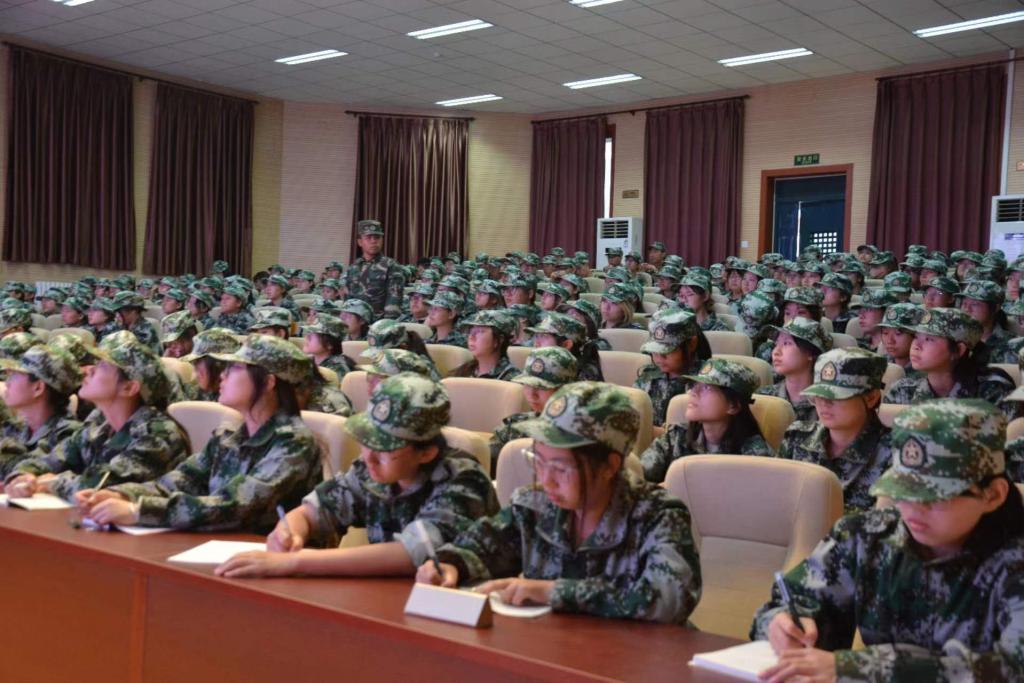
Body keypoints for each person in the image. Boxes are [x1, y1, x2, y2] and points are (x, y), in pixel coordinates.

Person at [752, 399, 1024, 682]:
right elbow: (790, 603)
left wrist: (862, 668)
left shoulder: (1014, 561)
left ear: (993, 495)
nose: (913, 508)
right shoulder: (866, 537)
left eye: (935, 496)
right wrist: (781, 624)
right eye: (903, 491)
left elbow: (1013, 669)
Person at [416, 381, 702, 624]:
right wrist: (450, 565)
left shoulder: (658, 515)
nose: (547, 480)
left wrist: (554, 592)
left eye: (561, 468)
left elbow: (670, 598)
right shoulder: (533, 505)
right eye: (539, 461)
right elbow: (482, 545)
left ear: (610, 466)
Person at [213, 373, 499, 578]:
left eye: (385, 449)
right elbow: (316, 510)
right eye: (367, 442)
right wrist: (291, 531)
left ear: (426, 453)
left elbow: (411, 554)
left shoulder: (463, 480)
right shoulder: (370, 470)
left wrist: (296, 562)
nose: (369, 457)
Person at [77, 335, 321, 532]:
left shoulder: (294, 442)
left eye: (235, 368)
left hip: (272, 562)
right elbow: (181, 480)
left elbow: (237, 505)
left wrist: (139, 511)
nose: (222, 375)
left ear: (268, 383)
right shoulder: (229, 437)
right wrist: (121, 494)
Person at [5, 337, 189, 501]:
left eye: (103, 366)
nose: (89, 370)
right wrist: (25, 475)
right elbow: (53, 458)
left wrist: (51, 483)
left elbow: (103, 484)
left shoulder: (157, 434)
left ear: (129, 388)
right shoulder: (98, 425)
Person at [778, 347, 891, 512]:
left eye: (836, 395)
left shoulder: (893, 453)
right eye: (819, 393)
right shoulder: (797, 437)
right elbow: (776, 500)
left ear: (871, 398)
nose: (824, 402)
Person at [640, 358, 774, 483]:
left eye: (706, 388)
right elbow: (638, 477)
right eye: (694, 384)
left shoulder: (755, 455)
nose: (692, 392)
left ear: (733, 406)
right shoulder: (675, 437)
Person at [884, 307, 1015, 417]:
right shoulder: (903, 391)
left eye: (929, 339)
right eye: (916, 337)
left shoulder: (992, 391)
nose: (916, 346)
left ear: (959, 350)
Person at [0, 345, 83, 483]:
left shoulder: (67, 434)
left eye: (14, 376)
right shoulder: (14, 428)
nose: (7, 384)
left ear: (38, 388)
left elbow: (28, 474)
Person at [489, 346, 577, 469]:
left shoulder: (582, 433)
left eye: (542, 387)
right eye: (528, 384)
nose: (532, 394)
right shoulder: (515, 426)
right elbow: (487, 463)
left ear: (566, 389)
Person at [634, 310, 709, 425]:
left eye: (668, 350)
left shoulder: (707, 381)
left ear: (692, 344)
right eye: (654, 350)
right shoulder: (647, 377)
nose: (659, 357)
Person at [758, 317, 832, 423]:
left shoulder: (828, 405)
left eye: (787, 343)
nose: (776, 352)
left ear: (811, 353)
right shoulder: (764, 397)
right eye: (776, 344)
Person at [345, 219, 405, 319]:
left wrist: (385, 324)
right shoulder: (354, 267)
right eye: (368, 238)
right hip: (356, 322)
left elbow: (394, 300)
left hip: (378, 322)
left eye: (377, 237)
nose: (373, 241)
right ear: (360, 242)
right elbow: (348, 299)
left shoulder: (391, 266)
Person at [449, 310, 518, 380]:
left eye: (480, 331)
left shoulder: (511, 379)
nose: (471, 337)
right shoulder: (464, 372)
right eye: (470, 331)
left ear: (500, 339)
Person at [180, 328, 241, 401]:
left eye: (198, 361)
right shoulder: (195, 389)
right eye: (195, 362)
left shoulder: (238, 398)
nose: (195, 367)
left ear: (219, 364)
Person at [876, 302, 924, 376]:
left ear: (916, 335)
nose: (890, 341)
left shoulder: (926, 373)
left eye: (898, 334)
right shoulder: (878, 365)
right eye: (885, 333)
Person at [301, 314, 353, 378]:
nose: (307, 337)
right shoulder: (308, 361)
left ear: (329, 344)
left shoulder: (338, 369)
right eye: (309, 332)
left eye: (314, 334)